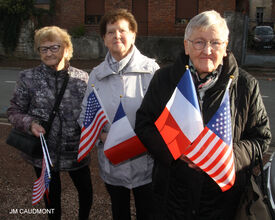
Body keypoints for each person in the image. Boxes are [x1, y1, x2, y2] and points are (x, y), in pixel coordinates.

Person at [135, 10, 272, 220]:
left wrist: (225, 157)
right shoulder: (164, 80)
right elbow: (144, 125)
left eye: (215, 42)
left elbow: (261, 138)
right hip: (172, 197)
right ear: (186, 46)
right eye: (199, 42)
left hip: (224, 202)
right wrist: (174, 151)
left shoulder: (246, 85)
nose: (207, 50)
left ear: (225, 48)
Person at [79, 8, 159, 220]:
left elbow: (165, 114)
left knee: (148, 212)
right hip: (112, 162)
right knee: (119, 211)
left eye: (122, 30)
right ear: (104, 39)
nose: (117, 36)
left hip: (147, 162)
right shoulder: (96, 75)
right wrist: (102, 136)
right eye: (110, 32)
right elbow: (85, 115)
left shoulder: (152, 70)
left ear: (133, 34)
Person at [7, 26, 92, 220]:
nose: (48, 53)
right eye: (43, 49)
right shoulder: (27, 78)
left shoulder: (83, 78)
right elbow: (13, 111)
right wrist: (30, 124)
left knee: (86, 192)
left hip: (76, 151)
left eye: (54, 47)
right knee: (51, 198)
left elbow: (91, 113)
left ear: (67, 49)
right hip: (43, 153)